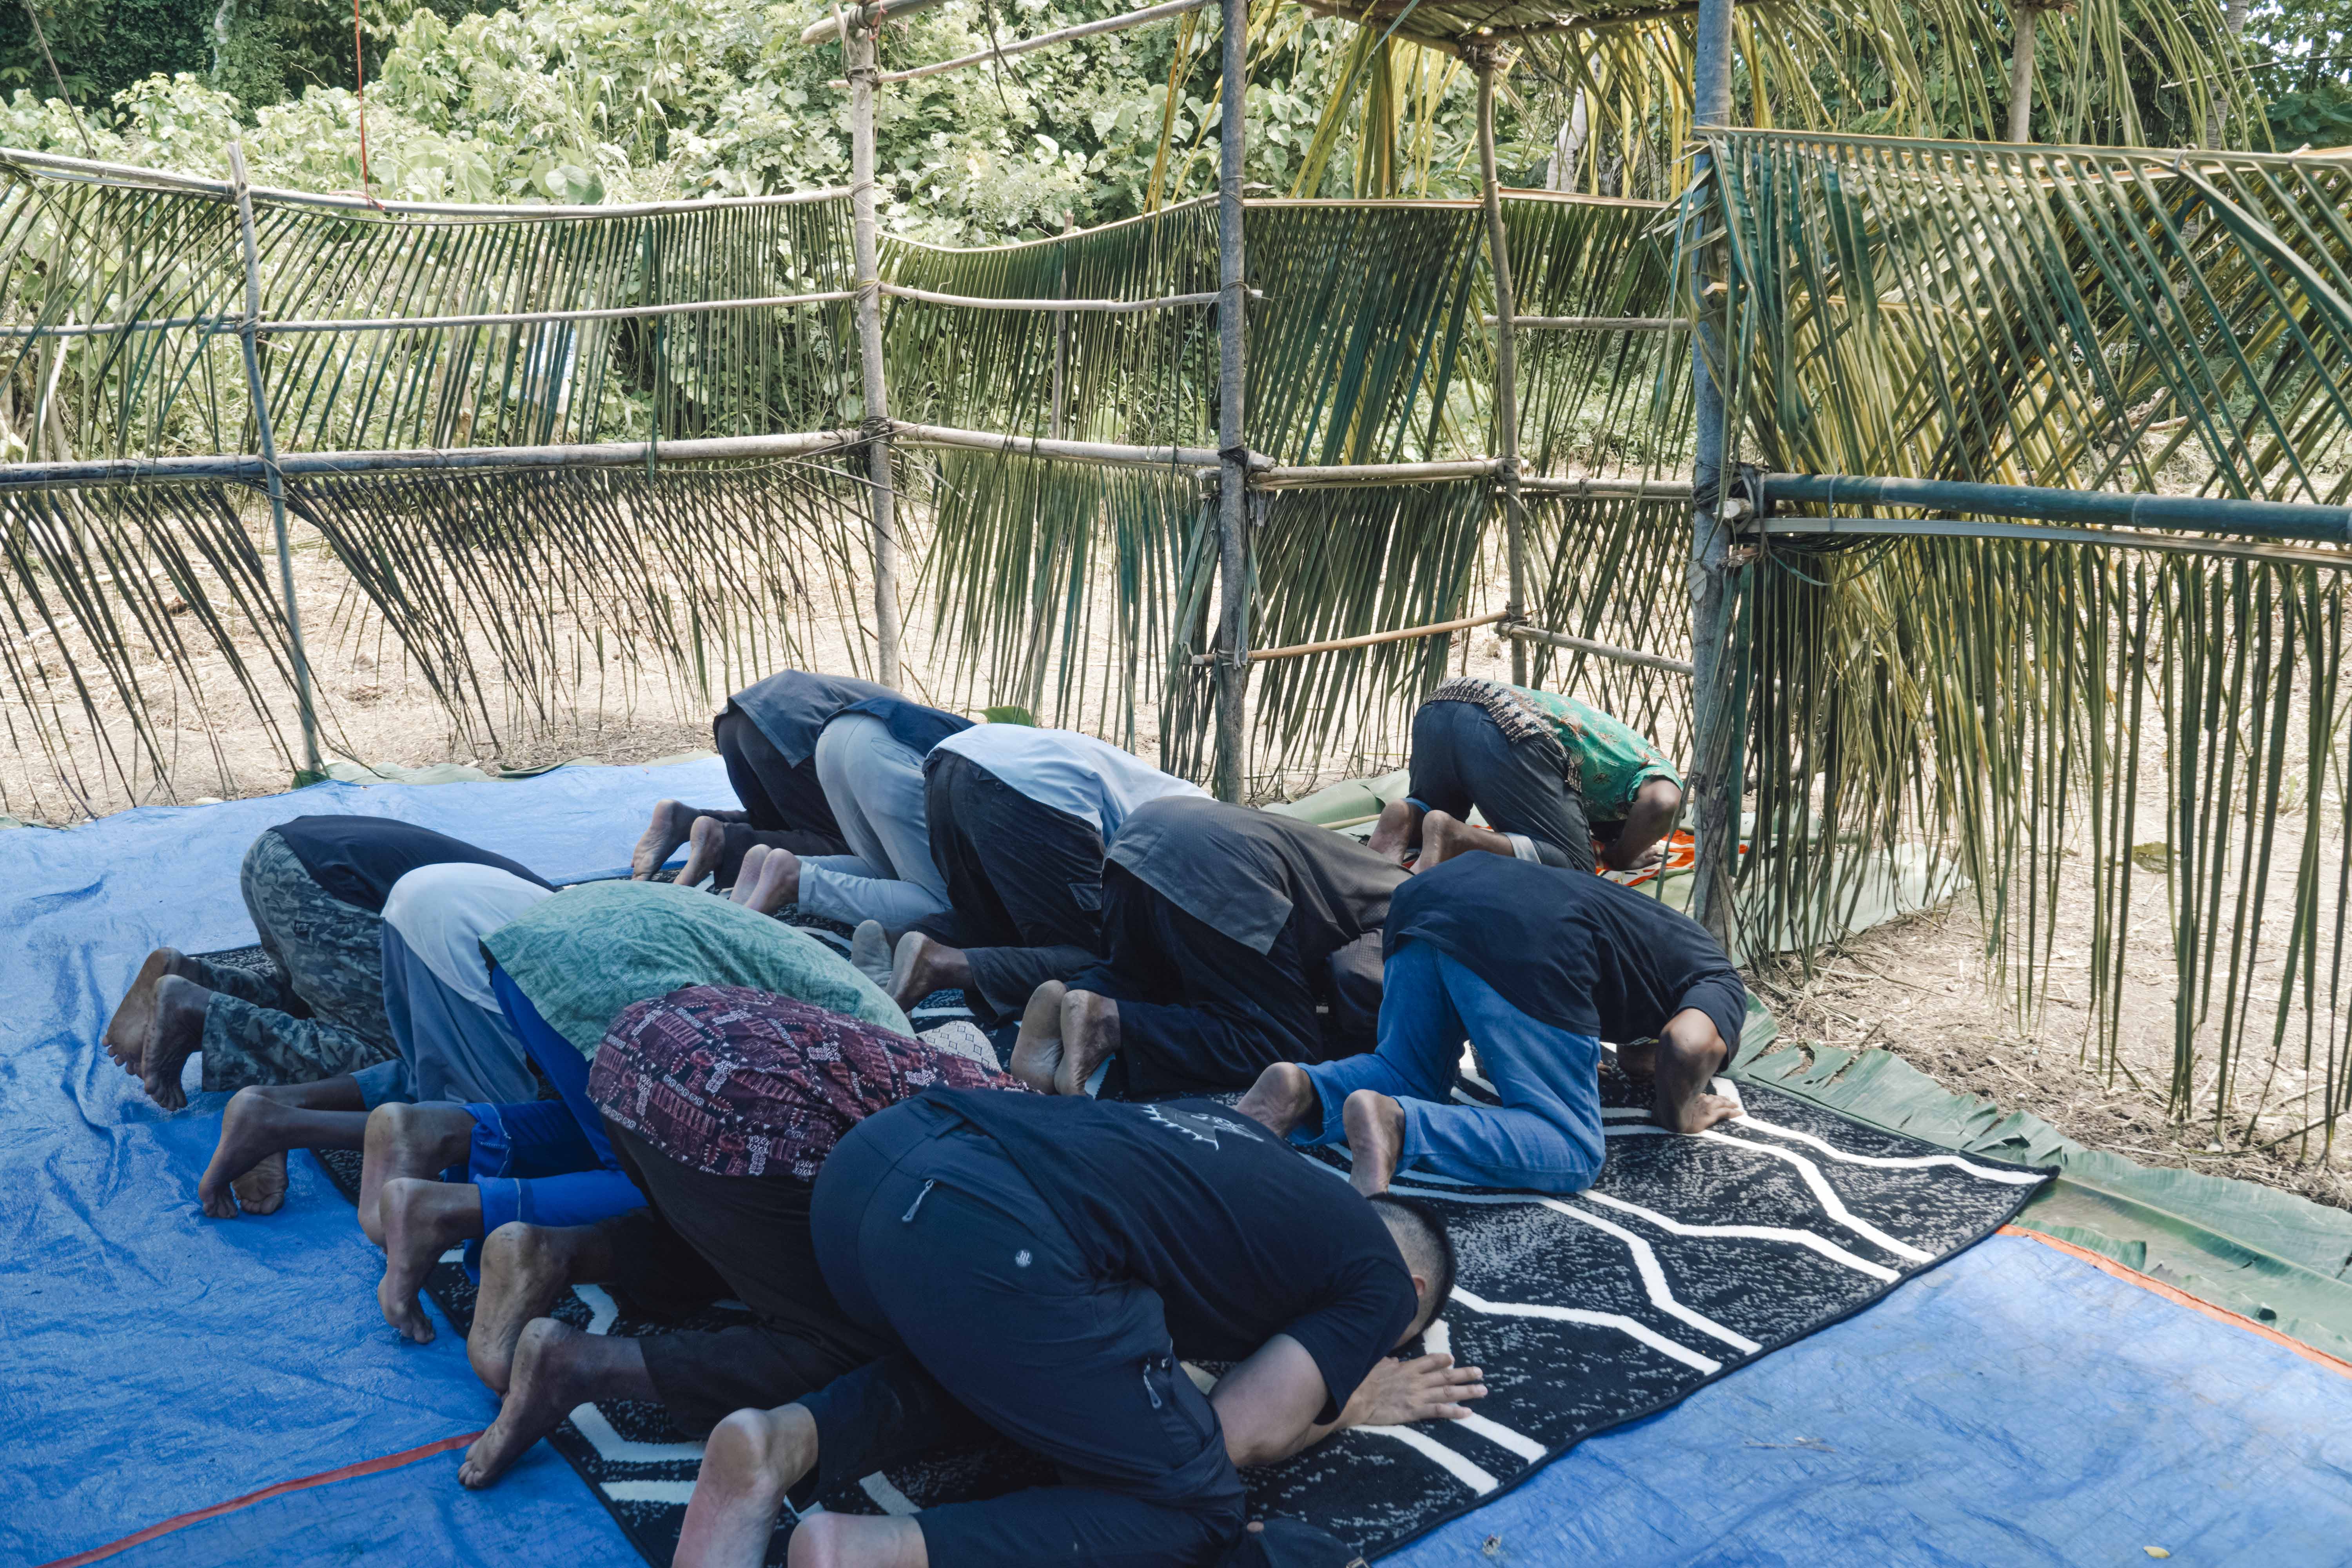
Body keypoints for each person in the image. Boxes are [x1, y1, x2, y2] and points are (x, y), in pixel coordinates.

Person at [672, 1089, 1485, 1568]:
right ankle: (866, 1552)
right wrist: (1353, 1399)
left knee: (1041, 1380)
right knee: (1198, 1505)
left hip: (871, 1177)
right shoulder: (1384, 1282)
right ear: (1412, 1291)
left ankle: (783, 1442)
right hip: (994, 1233)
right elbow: (1240, 1432)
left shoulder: (1239, 1144)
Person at [453, 983, 1020, 1489]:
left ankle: (553, 1251)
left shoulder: (953, 1072)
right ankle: (581, 1365)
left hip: (635, 1047)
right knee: (851, 1340)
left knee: (724, 1232)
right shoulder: (1018, 1144)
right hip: (739, 1107)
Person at [361, 878, 910, 1343]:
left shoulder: (876, 1025)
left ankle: (435, 1132)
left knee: (615, 1127)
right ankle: (455, 1211)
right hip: (618, 979)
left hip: (539, 948)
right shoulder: (884, 1074)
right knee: (667, 1180)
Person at [1237, 853, 1748, 1198]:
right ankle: (1402, 1126)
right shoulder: (1719, 977)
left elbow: (1643, 1051)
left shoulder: (1654, 947)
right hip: (1530, 932)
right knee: (1572, 1149)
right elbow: (1687, 1045)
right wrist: (1680, 1112)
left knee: (1405, 1070)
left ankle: (1306, 1090)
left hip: (1430, 897)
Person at [103, 815, 553, 1122]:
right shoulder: (562, 957)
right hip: (332, 889)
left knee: (309, 995)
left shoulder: (552, 905)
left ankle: (198, 978)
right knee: (400, 1055)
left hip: (284, 855)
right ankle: (199, 1012)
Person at [196, 860, 557, 1218]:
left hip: (416, 904)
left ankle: (281, 1104)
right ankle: (281, 1127)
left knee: (436, 1071)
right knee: (498, 1122)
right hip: (457, 932)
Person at [1011, 796, 1405, 1099]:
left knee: (1145, 978)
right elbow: (1357, 975)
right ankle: (1111, 1022)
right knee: (1285, 1043)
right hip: (1224, 870)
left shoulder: (1365, 866)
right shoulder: (1410, 902)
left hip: (1141, 839)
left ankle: (1070, 997)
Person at [887, 722, 1205, 1023]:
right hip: (1031, 788)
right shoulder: (1210, 835)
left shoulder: (1189, 803)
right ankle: (939, 966)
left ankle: (889, 943)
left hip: (950, 763)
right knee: (1103, 959)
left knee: (994, 924)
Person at [632, 670, 970, 889]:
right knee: (850, 842)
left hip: (738, 717)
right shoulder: (957, 749)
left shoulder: (936, 724)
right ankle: (726, 843)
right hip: (793, 727)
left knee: (776, 824)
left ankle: (685, 820)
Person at [1370, 679, 1684, 876]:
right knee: (1574, 866)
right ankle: (1456, 838)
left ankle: (1408, 815)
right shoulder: (1652, 767)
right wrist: (1620, 856)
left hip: (1445, 702)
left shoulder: (1616, 747)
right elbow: (1664, 803)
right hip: (1510, 727)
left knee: (1436, 809)